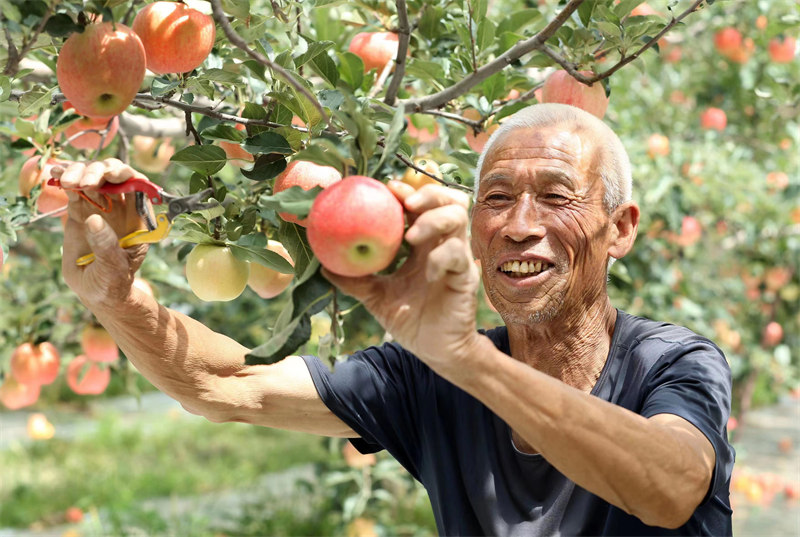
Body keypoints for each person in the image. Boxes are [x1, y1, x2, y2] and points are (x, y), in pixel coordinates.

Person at [58, 103, 734, 536]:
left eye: (556, 197)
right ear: (473, 227)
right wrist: (117, 298)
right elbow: (222, 383)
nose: (521, 225)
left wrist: (468, 358)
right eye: (496, 198)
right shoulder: (429, 374)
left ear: (620, 229)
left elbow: (669, 486)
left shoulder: (671, 362)